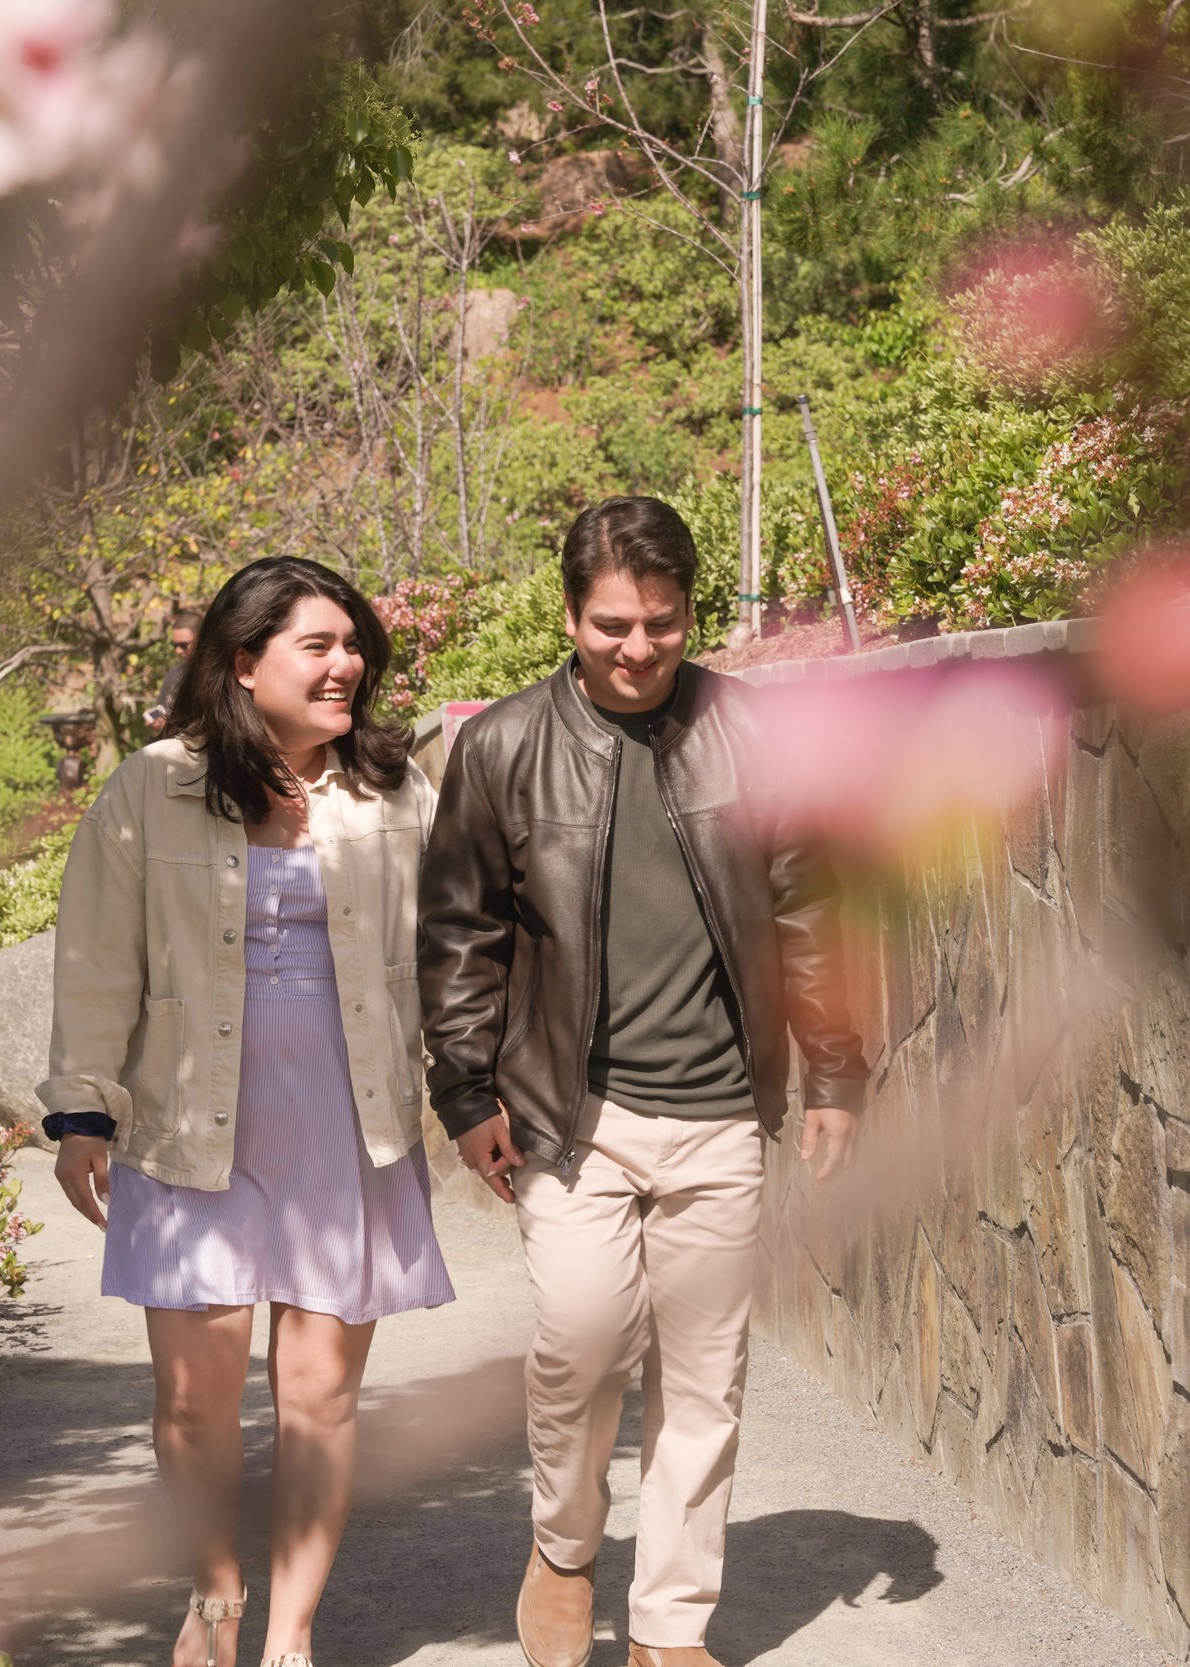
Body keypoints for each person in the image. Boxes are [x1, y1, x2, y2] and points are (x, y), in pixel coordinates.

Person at [417, 497, 870, 1667]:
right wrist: (465, 1092)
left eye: (661, 624)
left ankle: (670, 1626)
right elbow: (460, 932)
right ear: (570, 616)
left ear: (688, 613)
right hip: (571, 1114)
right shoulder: (502, 746)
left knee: (705, 1372)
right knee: (582, 1336)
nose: (637, 648)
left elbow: (810, 910)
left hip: (718, 1109)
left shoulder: (752, 733)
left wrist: (833, 1071)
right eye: (612, 624)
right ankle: (564, 1549)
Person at [38, 557, 454, 1667]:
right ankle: (215, 1596)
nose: (345, 664)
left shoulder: (397, 791)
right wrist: (83, 1109)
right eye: (317, 646)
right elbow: (96, 958)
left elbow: (456, 954)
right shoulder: (150, 787)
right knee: (193, 1398)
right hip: (189, 1123)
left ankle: (290, 1638)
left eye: (353, 644)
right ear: (241, 664)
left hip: (344, 1124)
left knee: (319, 1398)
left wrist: (481, 1083)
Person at [145, 603, 206, 733]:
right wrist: (160, 723)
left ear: (201, 639)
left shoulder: (219, 675)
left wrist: (172, 726)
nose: (178, 651)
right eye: (175, 645)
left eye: (183, 645)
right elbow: (162, 709)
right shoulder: (173, 674)